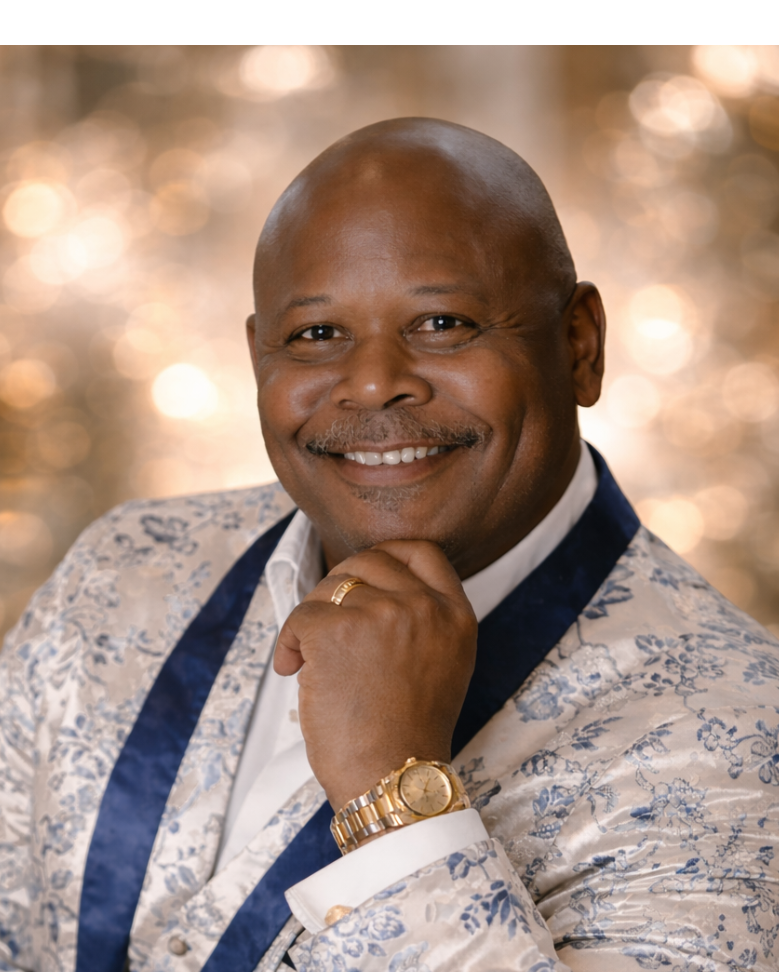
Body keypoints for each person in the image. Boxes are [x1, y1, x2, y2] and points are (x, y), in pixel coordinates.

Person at [1, 118, 778, 972]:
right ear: (257, 358)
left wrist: (392, 791)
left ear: (578, 345)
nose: (373, 381)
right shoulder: (127, 569)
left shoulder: (738, 739)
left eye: (443, 322)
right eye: (317, 335)